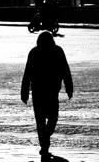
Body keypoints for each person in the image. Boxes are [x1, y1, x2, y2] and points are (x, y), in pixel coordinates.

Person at [21, 30, 74, 161]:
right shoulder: (35, 52)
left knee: (51, 119)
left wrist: (69, 87)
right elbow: (27, 74)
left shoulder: (57, 51)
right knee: (44, 120)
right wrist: (24, 92)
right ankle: (44, 146)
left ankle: (45, 139)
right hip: (40, 92)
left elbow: (65, 70)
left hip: (50, 91)